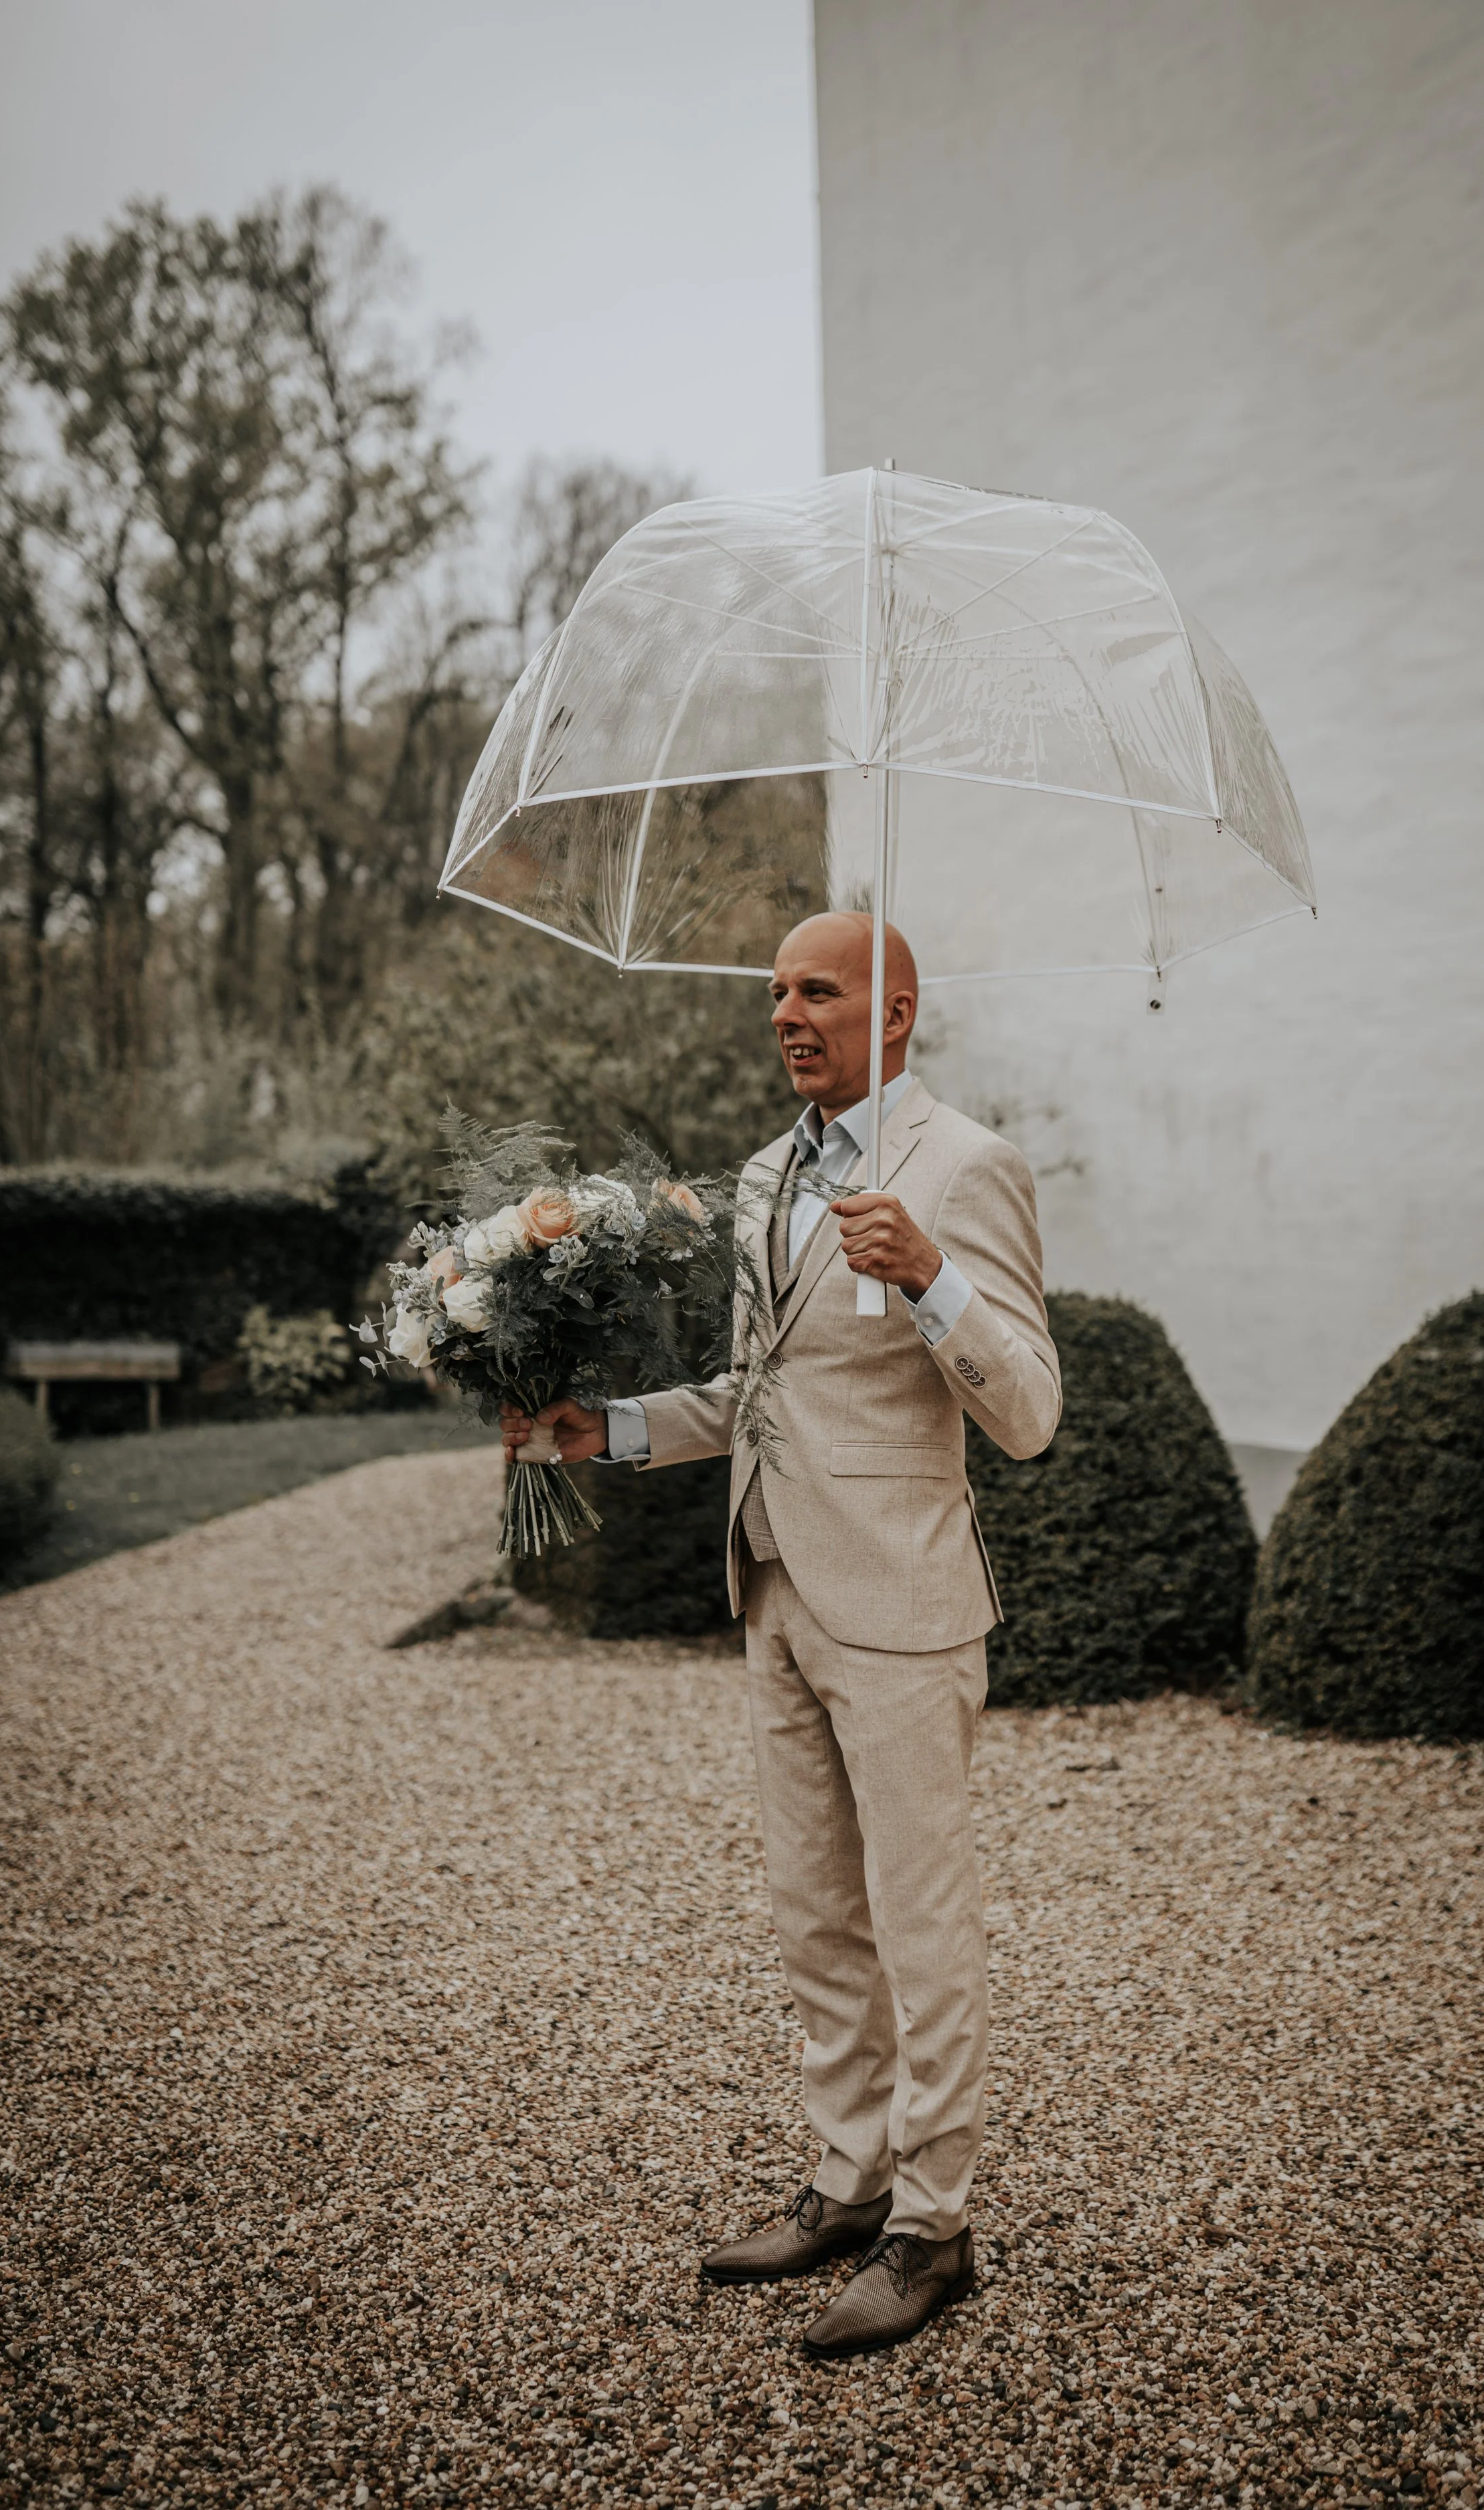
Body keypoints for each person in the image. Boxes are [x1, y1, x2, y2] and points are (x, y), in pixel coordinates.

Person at [501, 912, 1060, 2358]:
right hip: (774, 1585)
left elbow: (1029, 1413)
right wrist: (607, 1429)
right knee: (815, 1913)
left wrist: (931, 1278)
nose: (785, 1014)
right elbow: (757, 1390)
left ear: (896, 1012)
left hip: (905, 1604)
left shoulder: (967, 1167)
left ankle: (934, 2226)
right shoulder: (765, 1174)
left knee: (920, 1921)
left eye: (817, 990)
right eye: (775, 993)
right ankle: (849, 2178)